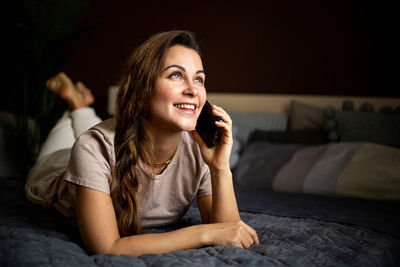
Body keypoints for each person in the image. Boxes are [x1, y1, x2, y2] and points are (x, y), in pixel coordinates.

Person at [25, 30, 259, 257]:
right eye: (176, 75)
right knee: (87, 134)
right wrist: (203, 233)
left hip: (105, 142)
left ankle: (79, 104)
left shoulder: (200, 150)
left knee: (100, 129)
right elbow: (107, 247)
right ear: (144, 88)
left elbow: (229, 232)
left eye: (199, 79)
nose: (193, 90)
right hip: (53, 168)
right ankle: (75, 104)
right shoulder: (91, 147)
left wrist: (220, 168)